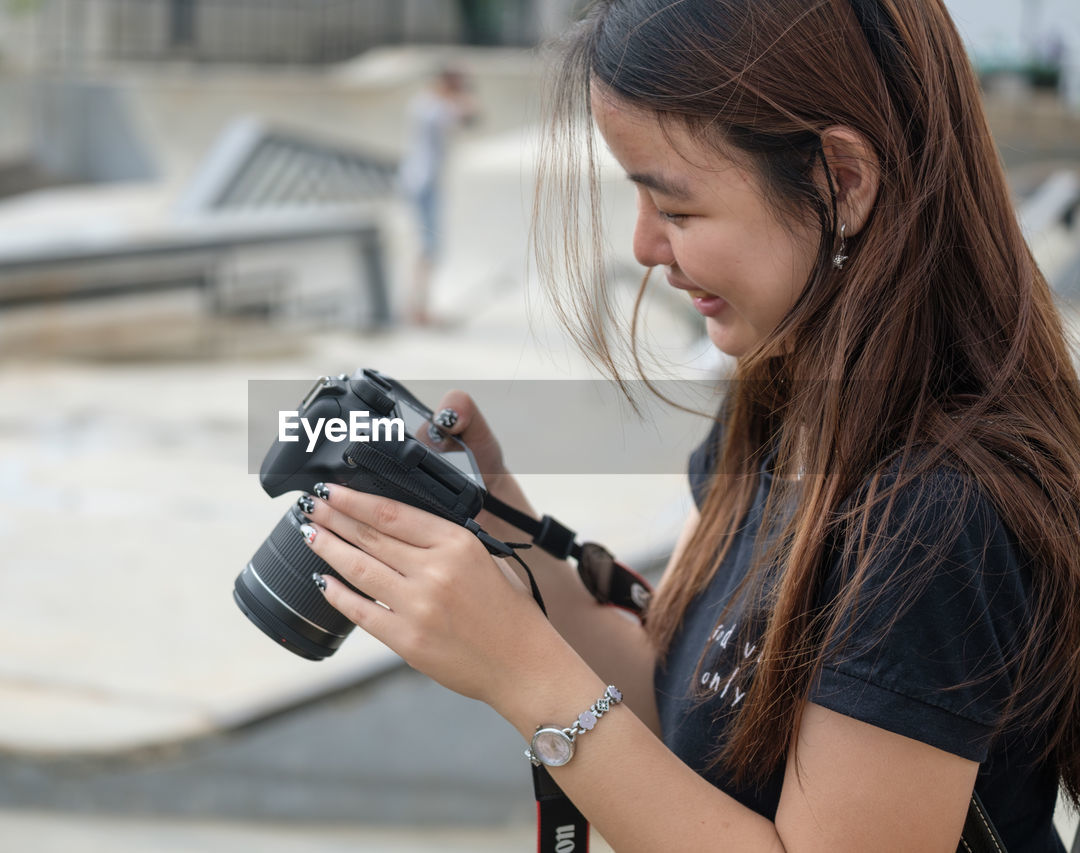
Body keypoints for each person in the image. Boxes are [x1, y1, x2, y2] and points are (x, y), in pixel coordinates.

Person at [299, 1, 1080, 849]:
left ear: (842, 181)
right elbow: (688, 715)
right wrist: (508, 543)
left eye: (675, 208)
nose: (642, 246)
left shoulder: (937, 511)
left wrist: (525, 675)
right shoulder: (785, 416)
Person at [397, 66, 478, 326]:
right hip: (425, 182)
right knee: (430, 247)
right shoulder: (436, 108)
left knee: (427, 247)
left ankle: (417, 306)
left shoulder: (423, 103)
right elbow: (471, 117)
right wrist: (462, 97)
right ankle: (419, 309)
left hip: (417, 179)